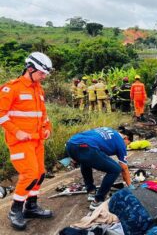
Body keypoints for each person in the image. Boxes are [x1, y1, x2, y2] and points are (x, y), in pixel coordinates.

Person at [0, 52, 53, 230]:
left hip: (37, 141)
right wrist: (17, 132)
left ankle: (31, 206)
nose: (43, 77)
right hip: (20, 142)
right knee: (29, 174)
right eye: (41, 73)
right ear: (30, 69)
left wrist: (47, 129)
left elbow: (43, 115)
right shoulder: (11, 88)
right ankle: (15, 210)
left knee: (40, 174)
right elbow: (1, 114)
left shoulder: (38, 88)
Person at [65, 127, 134, 210]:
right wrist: (130, 186)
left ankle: (91, 191)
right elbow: (124, 168)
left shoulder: (110, 131)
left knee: (85, 161)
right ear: (126, 138)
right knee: (115, 170)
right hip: (86, 147)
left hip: (70, 144)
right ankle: (97, 201)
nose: (126, 146)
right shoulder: (120, 142)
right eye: (128, 143)